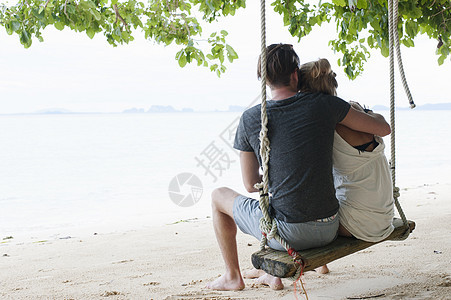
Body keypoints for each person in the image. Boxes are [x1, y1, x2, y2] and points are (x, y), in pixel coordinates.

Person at [206, 44, 391, 291]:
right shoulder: (325, 105)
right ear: (295, 74)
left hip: (287, 236)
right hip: (329, 227)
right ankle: (270, 274)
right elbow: (382, 129)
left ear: (264, 80)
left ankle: (232, 276)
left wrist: (280, 174)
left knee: (219, 196)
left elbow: (251, 184)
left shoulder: (251, 118)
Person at [298, 58, 395, 274]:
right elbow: (384, 126)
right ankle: (321, 265)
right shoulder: (356, 114)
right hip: (385, 217)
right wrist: (362, 109)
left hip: (358, 224)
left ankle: (271, 273)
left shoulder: (325, 124)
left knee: (300, 220)